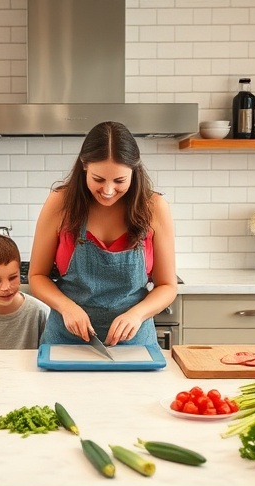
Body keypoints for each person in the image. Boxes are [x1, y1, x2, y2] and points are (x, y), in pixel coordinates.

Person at [29, 120, 177, 347]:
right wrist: (67, 307)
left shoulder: (154, 207)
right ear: (84, 166)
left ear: (134, 171)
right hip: (66, 341)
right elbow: (37, 277)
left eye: (119, 181)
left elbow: (167, 286)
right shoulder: (60, 203)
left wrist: (136, 314)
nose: (108, 191)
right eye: (98, 179)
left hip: (134, 342)